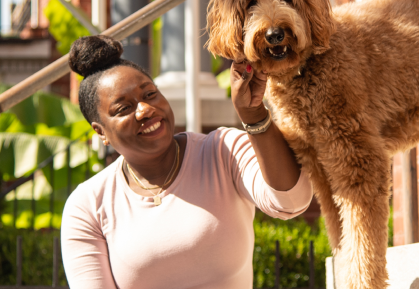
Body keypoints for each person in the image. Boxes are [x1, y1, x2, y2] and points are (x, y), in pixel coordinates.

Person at [61, 35, 313, 288]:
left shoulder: (223, 151)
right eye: (123, 109)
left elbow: (291, 201)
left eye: (150, 94)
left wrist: (254, 115)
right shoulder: (87, 206)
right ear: (100, 131)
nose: (145, 110)